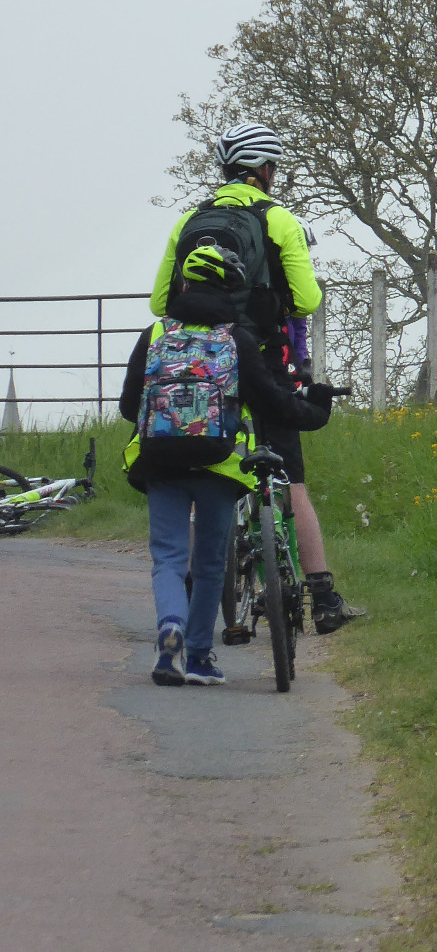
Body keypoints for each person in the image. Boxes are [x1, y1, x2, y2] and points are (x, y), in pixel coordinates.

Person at [152, 121, 364, 634]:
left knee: (208, 468)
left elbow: (160, 303)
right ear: (265, 169)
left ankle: (193, 593)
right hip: (262, 361)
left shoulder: (189, 221)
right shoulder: (279, 219)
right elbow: (308, 300)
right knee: (291, 481)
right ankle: (324, 598)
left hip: (202, 366)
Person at [121, 245, 334, 685]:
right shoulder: (236, 339)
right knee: (210, 564)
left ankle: (171, 628)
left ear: (183, 285)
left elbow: (128, 406)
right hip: (217, 463)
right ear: (232, 291)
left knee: (169, 557)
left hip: (160, 461)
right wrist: (317, 410)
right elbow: (272, 402)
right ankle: (199, 657)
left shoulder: (154, 334)